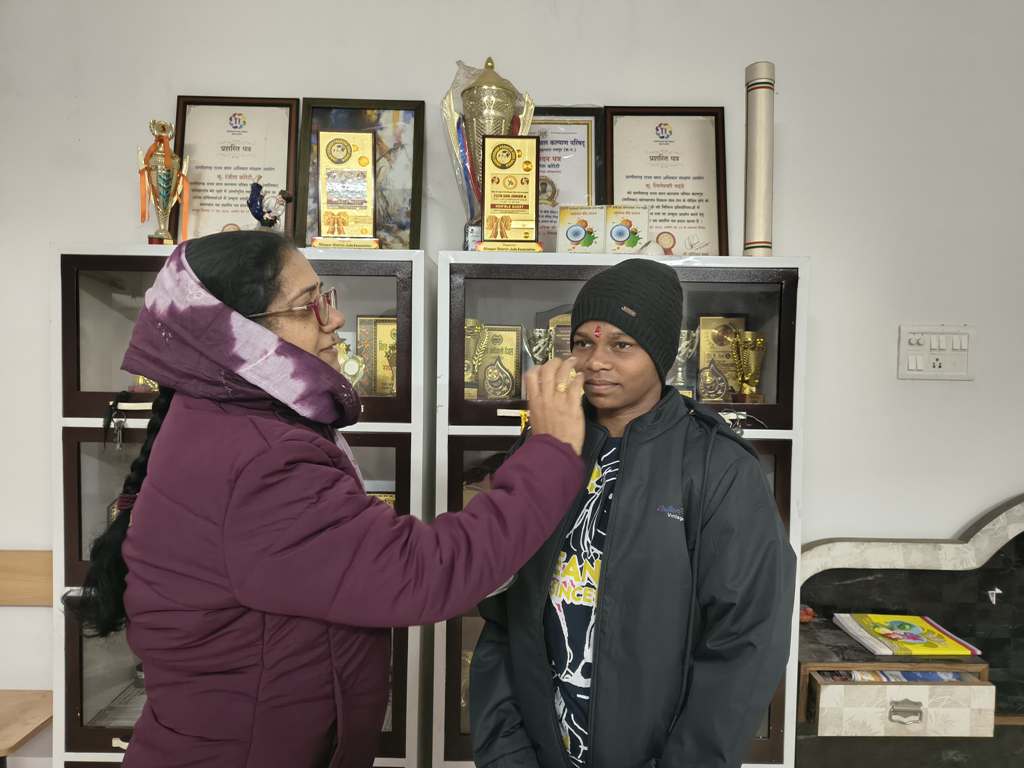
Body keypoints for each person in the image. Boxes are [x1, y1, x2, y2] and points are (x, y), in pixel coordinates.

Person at [65, 230, 586, 768]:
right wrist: (550, 451)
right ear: (237, 333)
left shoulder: (227, 419)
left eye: (325, 296)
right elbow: (421, 573)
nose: (334, 319)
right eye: (307, 306)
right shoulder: (259, 458)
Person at [470, 259, 797, 768]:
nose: (595, 362)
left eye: (622, 345)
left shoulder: (717, 466)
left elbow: (746, 642)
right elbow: (499, 616)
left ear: (660, 354)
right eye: (583, 343)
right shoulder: (544, 450)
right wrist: (505, 753)